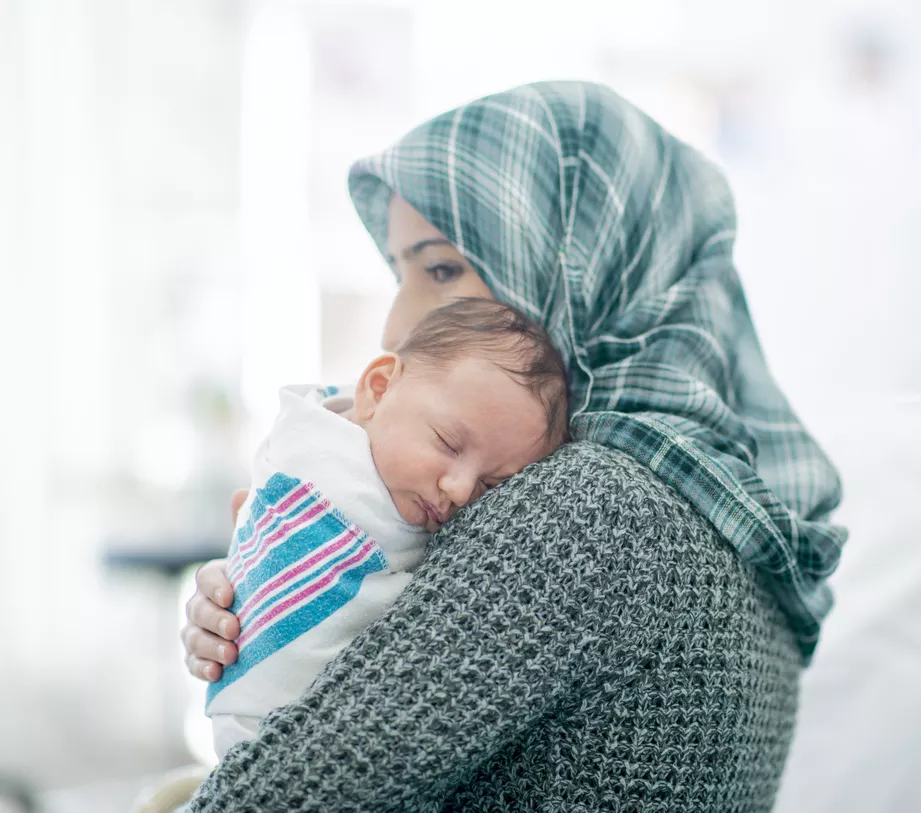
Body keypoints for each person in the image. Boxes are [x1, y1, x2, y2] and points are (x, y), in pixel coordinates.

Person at [179, 80, 846, 811]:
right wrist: (264, 608)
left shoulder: (591, 510)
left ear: (576, 260)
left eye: (441, 269)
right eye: (400, 272)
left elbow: (270, 796)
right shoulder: (746, 527)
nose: (394, 328)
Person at [206, 298, 567, 757]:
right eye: (448, 442)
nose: (458, 489)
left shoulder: (328, 420)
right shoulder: (326, 469)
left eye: (491, 484)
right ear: (377, 389)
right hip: (261, 716)